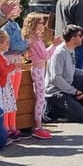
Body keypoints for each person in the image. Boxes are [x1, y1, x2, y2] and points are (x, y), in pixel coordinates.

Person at [45, 25, 83, 123]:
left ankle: (79, 103)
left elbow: (71, 69)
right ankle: (53, 111)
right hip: (56, 92)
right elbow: (56, 78)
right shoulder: (59, 53)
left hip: (67, 85)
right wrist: (74, 91)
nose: (82, 37)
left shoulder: (71, 50)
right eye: (80, 35)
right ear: (72, 38)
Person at [22, 12, 60, 140]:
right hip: (37, 69)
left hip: (40, 69)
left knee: (40, 97)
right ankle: (37, 126)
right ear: (35, 25)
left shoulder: (36, 38)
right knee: (40, 97)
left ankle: (39, 124)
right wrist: (54, 45)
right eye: (41, 24)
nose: (44, 26)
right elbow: (45, 56)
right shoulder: (34, 39)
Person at [0, 0, 28, 139]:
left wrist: (23, 45)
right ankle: (6, 126)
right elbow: (14, 45)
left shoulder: (14, 24)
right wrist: (28, 42)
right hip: (10, 59)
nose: (18, 9)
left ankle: (12, 125)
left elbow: (19, 46)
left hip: (16, 59)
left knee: (14, 95)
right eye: (15, 6)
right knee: (8, 95)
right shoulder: (6, 24)